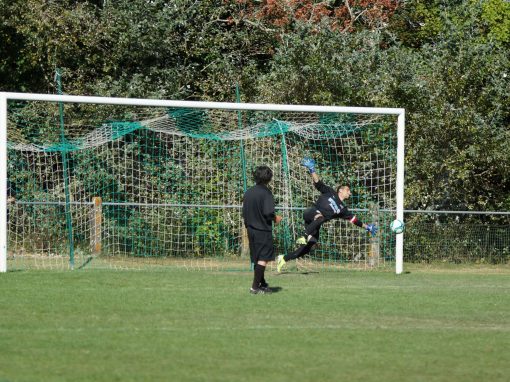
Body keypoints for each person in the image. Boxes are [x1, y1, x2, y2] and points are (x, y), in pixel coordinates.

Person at [276, 158, 378, 272]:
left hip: (315, 224)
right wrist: (312, 169)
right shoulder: (330, 192)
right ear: (340, 190)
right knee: (320, 217)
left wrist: (367, 227)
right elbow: (318, 183)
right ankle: (303, 236)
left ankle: (284, 258)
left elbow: (354, 220)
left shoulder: (343, 209)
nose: (349, 192)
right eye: (347, 190)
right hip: (310, 213)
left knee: (310, 245)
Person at [242, 165, 283, 294]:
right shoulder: (266, 193)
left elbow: (244, 212)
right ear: (269, 178)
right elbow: (267, 212)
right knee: (263, 258)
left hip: (250, 229)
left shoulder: (248, 192)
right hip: (262, 230)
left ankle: (263, 284)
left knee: (257, 257)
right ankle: (254, 287)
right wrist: (275, 218)